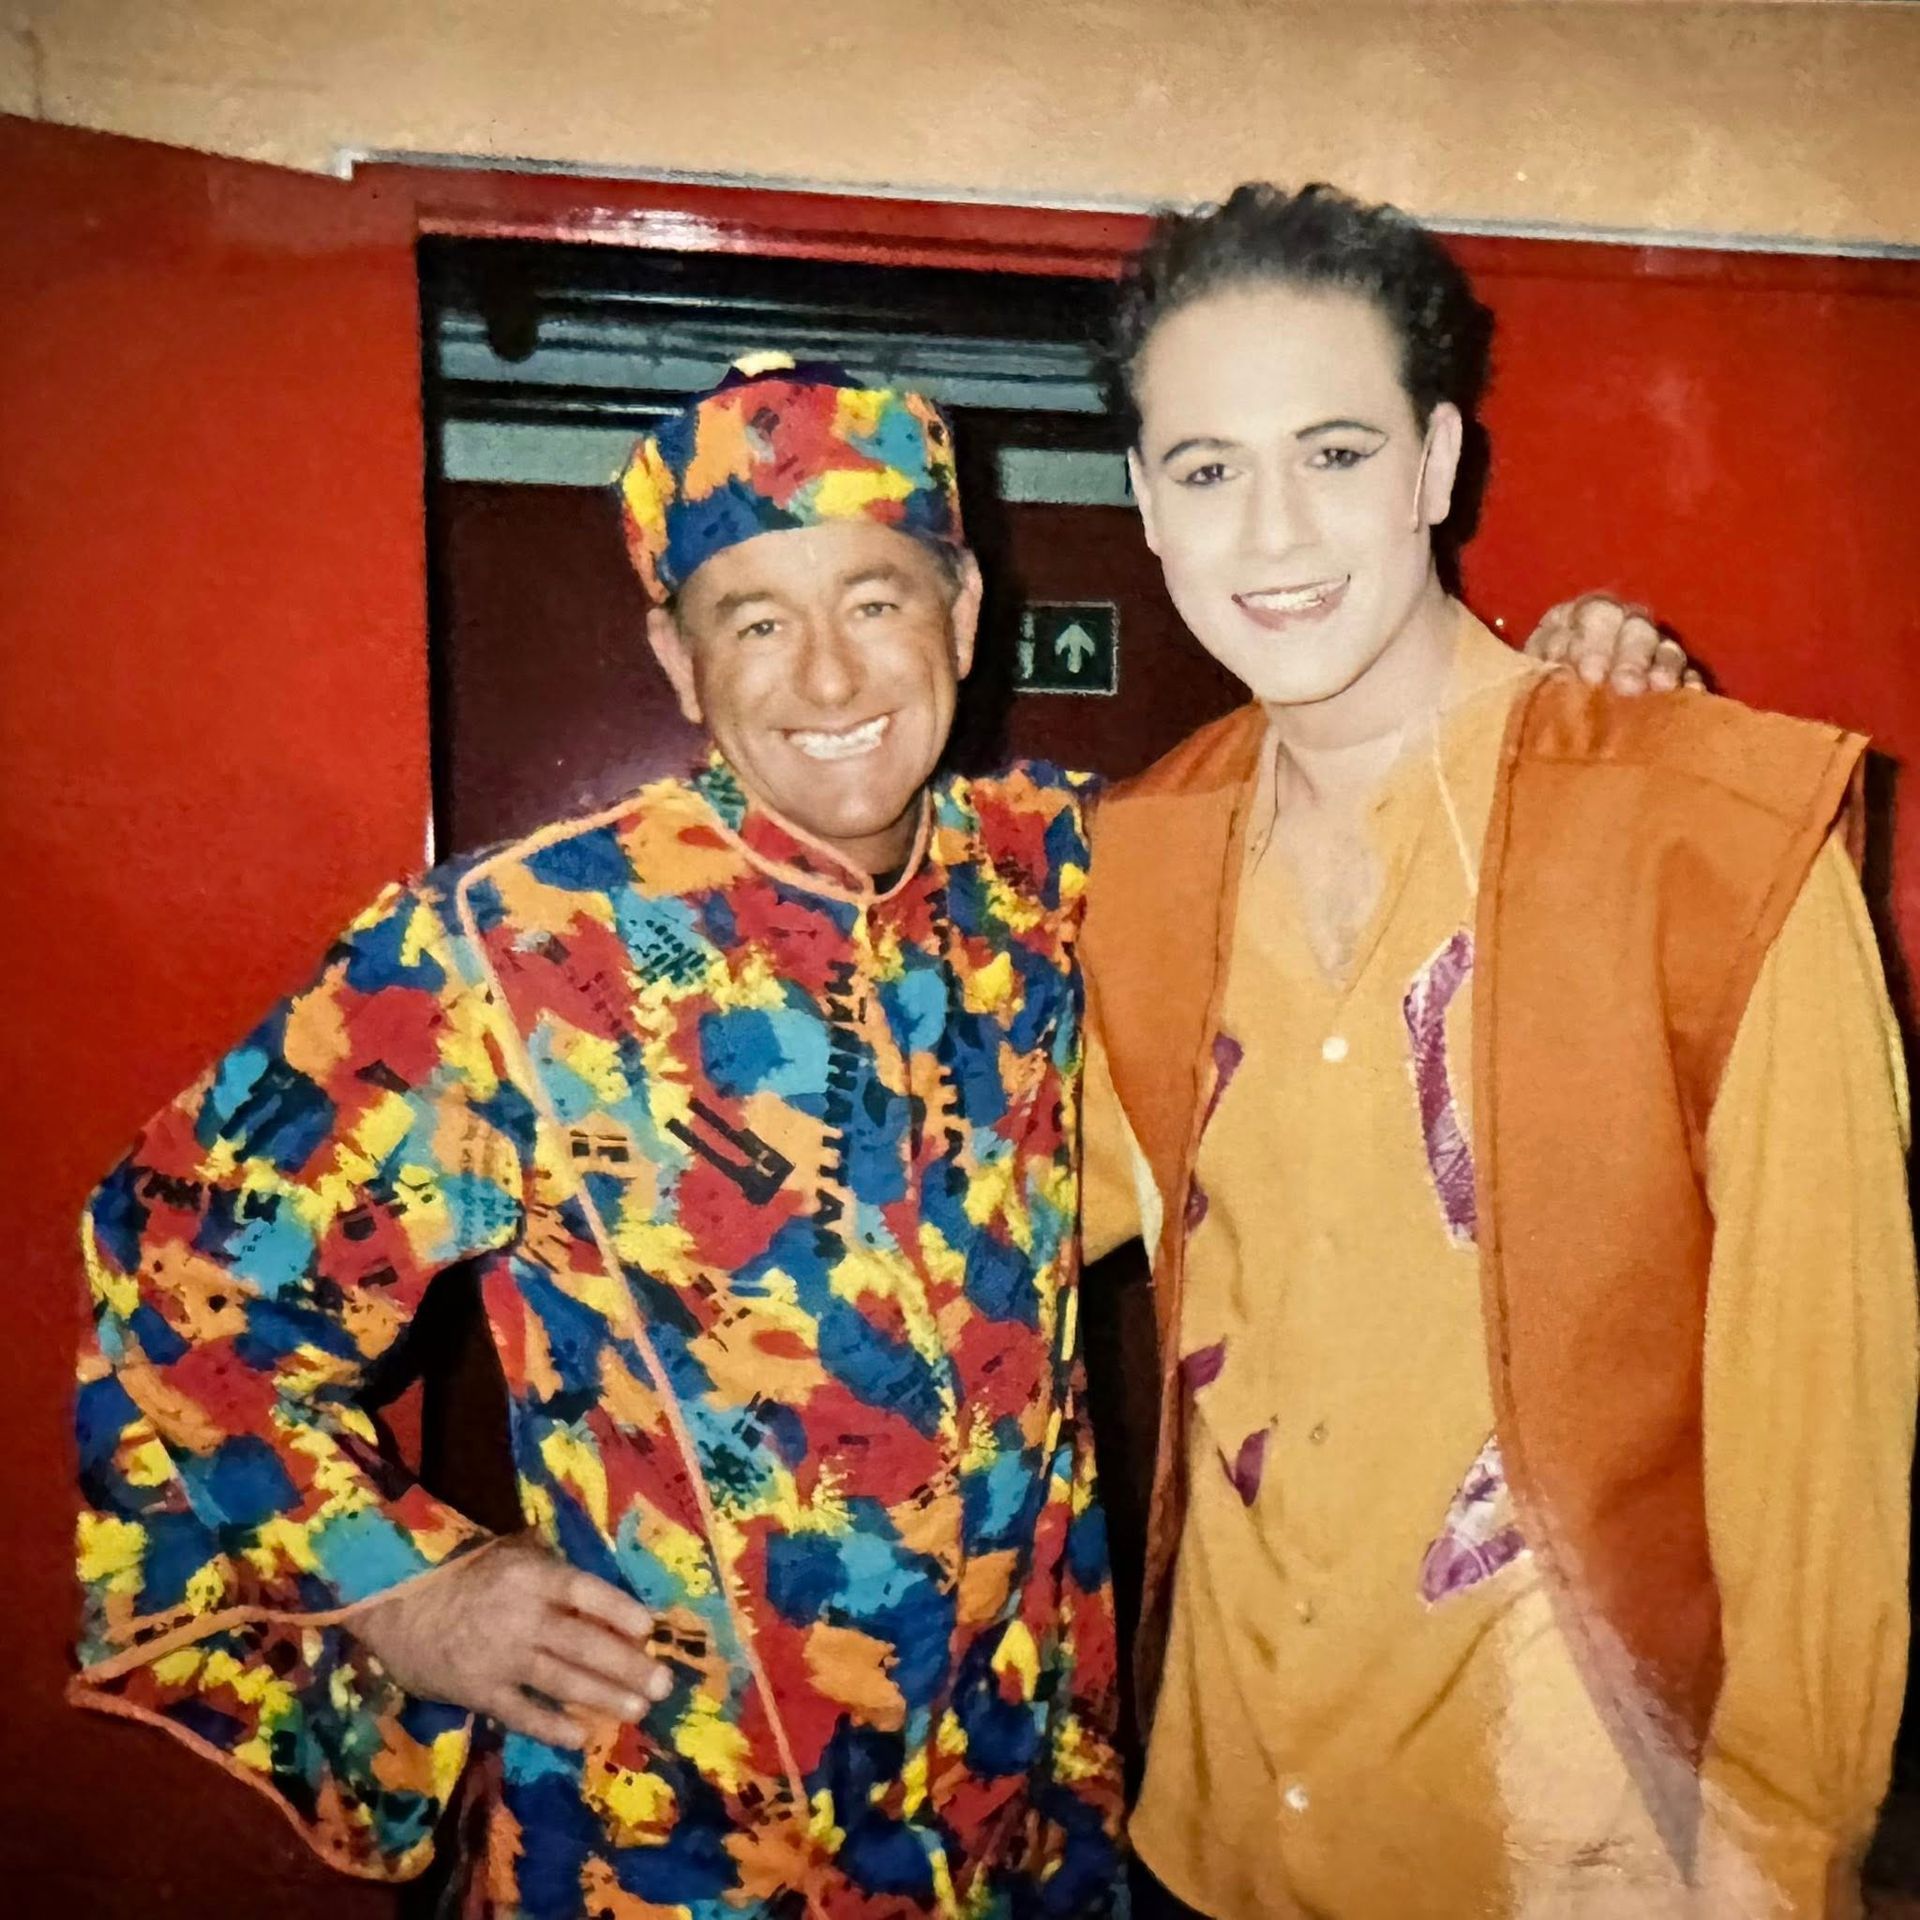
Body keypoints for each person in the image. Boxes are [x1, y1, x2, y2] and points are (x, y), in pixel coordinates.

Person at [70, 347, 1671, 1916]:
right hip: (673, 1834)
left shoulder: (1064, 868)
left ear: (963, 616)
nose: (830, 680)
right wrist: (409, 1585)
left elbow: (1356, 797)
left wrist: (1542, 685)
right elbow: (175, 1262)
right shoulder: (508, 950)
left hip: (1023, 1816)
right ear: (678, 659)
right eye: (757, 621)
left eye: (876, 601)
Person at [1080, 182, 1917, 1919]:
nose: (1274, 532)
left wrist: (1775, 1856)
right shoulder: (1136, 864)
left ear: (1437, 463)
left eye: (1335, 451)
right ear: (1146, 502)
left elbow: (1823, 1441)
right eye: (1211, 469)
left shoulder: (1714, 840)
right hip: (1211, 1843)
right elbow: (962, 1236)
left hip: (1572, 1858)